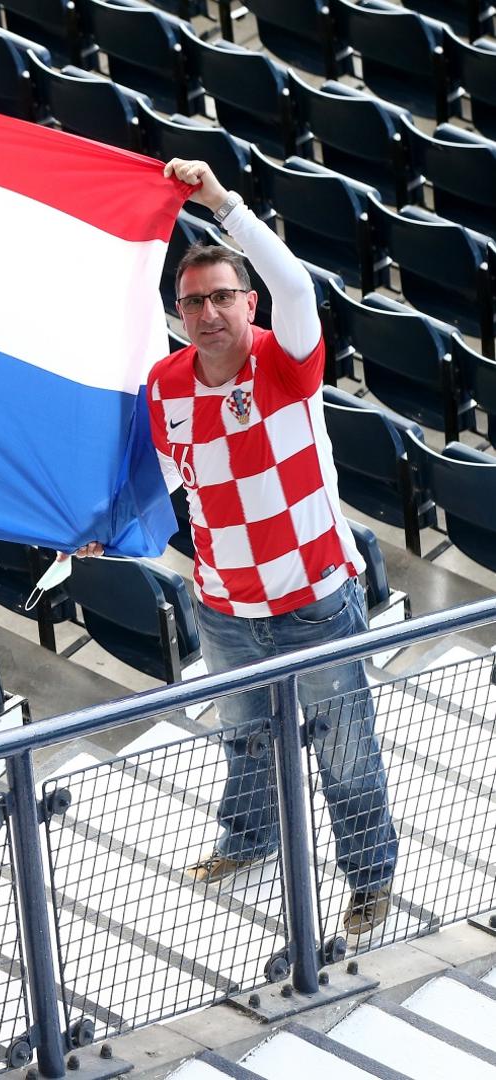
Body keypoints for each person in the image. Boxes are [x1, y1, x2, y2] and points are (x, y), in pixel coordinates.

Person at [80, 159, 396, 936]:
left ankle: (370, 877)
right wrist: (98, 528)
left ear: (247, 303)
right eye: (194, 301)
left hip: (315, 603)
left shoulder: (287, 359)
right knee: (244, 738)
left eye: (224, 296)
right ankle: (246, 841)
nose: (210, 311)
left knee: (345, 753)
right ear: (179, 313)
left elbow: (295, 287)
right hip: (222, 608)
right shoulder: (165, 384)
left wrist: (222, 204)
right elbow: (158, 477)